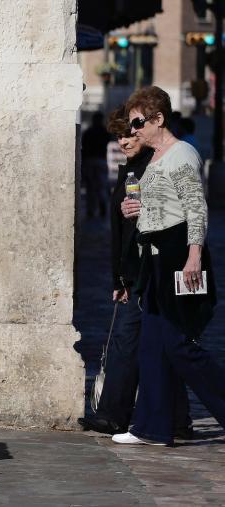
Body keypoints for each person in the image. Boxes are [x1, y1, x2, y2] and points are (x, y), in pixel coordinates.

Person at [115, 85, 223, 446]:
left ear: (159, 119)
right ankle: (151, 427)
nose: (134, 131)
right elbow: (160, 208)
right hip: (156, 260)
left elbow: (195, 207)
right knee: (152, 346)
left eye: (139, 123)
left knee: (179, 344)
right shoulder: (155, 159)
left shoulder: (182, 155)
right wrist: (134, 210)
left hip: (179, 256)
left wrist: (194, 255)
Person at [78, 105, 192, 438]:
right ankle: (174, 419)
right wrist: (118, 277)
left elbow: (176, 216)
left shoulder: (153, 168)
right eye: (119, 135)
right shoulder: (130, 169)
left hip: (150, 270)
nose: (124, 141)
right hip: (137, 272)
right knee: (150, 344)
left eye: (129, 134)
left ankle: (116, 414)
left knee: (136, 342)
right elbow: (119, 231)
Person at [82, 111, 110, 218]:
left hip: (89, 162)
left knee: (90, 188)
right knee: (101, 186)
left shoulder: (88, 132)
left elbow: (83, 149)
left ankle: (91, 211)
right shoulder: (104, 132)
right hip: (101, 161)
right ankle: (103, 207)